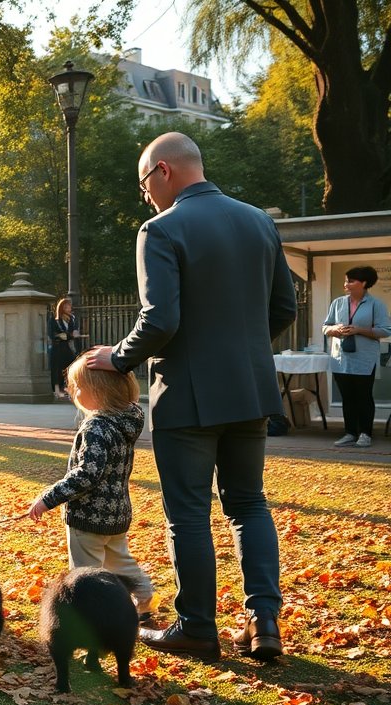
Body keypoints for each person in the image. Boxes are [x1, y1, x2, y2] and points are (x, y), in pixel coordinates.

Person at [86, 132, 296, 662]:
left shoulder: (160, 229)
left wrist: (118, 357)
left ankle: (198, 628)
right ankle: (264, 621)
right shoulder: (260, 221)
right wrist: (241, 351)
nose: (146, 198)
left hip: (187, 393)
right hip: (251, 388)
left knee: (189, 514)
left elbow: (160, 320)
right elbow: (284, 309)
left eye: (144, 185)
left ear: (163, 171)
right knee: (249, 504)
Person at [26, 356, 155, 624]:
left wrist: (47, 499)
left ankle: (90, 618)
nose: (73, 392)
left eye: (77, 387)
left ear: (98, 391)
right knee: (121, 564)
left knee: (86, 574)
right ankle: (145, 599)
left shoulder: (97, 426)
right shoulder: (125, 420)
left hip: (88, 517)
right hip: (116, 514)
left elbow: (86, 474)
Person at [323, 266, 390, 448]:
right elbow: (325, 326)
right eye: (346, 280)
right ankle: (350, 433)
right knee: (347, 397)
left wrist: (359, 330)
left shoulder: (376, 304)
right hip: (340, 358)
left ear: (364, 283)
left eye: (351, 281)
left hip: (364, 358)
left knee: (363, 396)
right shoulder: (337, 303)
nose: (346, 284)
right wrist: (335, 329)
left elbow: (385, 330)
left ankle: (365, 434)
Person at [48, 297, 81, 399]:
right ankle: (57, 392)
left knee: (71, 367)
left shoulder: (72, 319)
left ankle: (69, 389)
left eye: (69, 306)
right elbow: (51, 334)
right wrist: (60, 336)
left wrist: (73, 334)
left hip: (68, 347)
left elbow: (73, 332)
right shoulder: (54, 319)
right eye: (66, 307)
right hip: (57, 348)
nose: (69, 309)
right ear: (61, 308)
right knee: (57, 370)